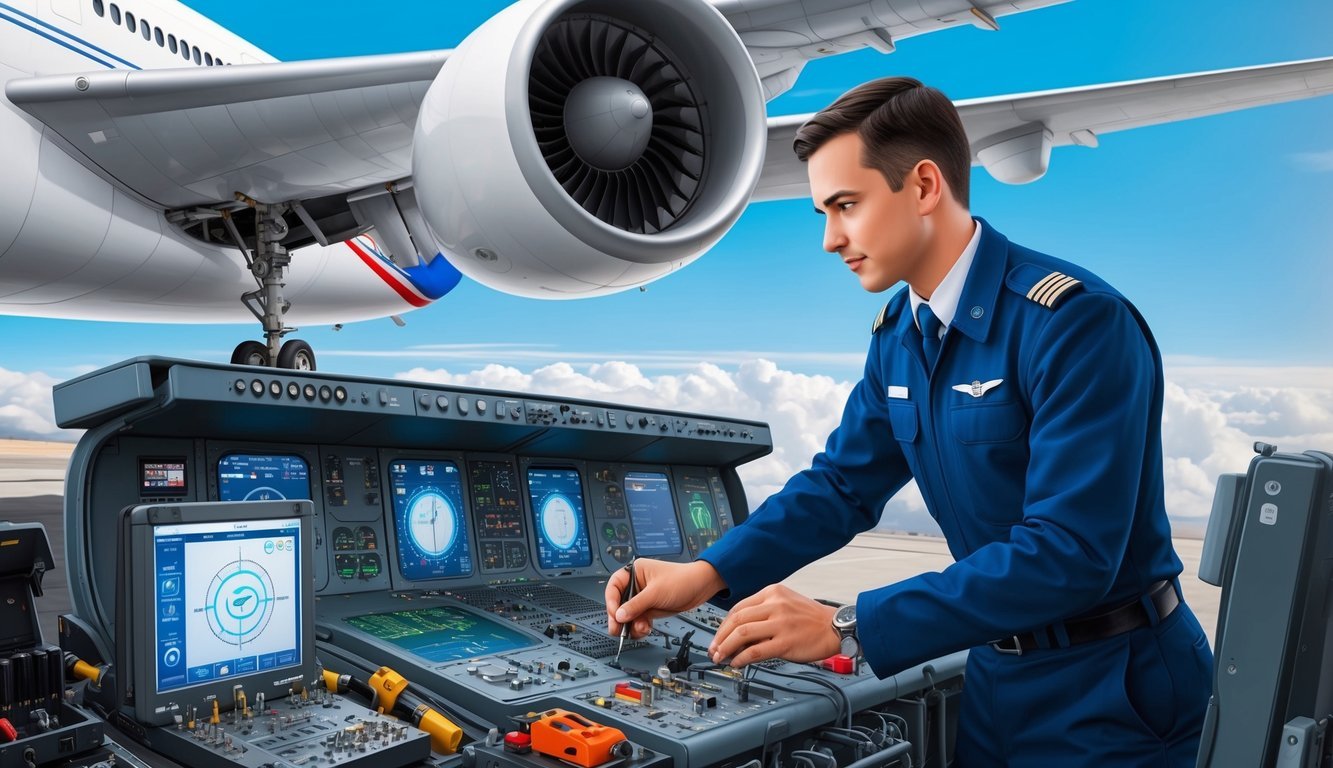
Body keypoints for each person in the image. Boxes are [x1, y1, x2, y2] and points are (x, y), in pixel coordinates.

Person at [605, 76, 1212, 766]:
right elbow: (841, 486)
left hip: (1113, 692)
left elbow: (1070, 553)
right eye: (821, 213)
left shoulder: (1072, 322)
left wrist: (847, 625)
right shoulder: (899, 331)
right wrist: (708, 571)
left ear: (923, 186)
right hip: (995, 679)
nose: (830, 239)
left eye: (846, 206)